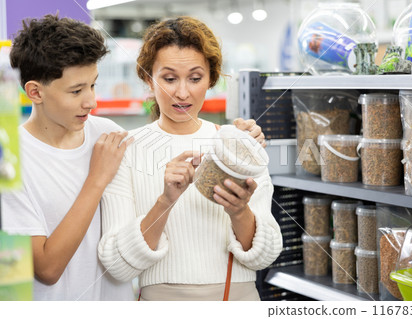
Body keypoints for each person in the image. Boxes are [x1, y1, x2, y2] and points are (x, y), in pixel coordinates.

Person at [1, 14, 265, 301]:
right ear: (35, 92)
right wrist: (97, 179)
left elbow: (167, 135)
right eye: (76, 91)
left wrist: (240, 142)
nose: (91, 101)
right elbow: (47, 269)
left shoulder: (107, 133)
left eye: (93, 85)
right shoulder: (11, 161)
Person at [98, 16, 283, 301]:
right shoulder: (127, 151)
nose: (182, 92)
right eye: (169, 78)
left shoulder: (237, 145)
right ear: (148, 78)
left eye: (195, 78)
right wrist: (165, 201)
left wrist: (239, 211)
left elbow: (266, 255)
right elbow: (117, 265)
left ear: (211, 79)